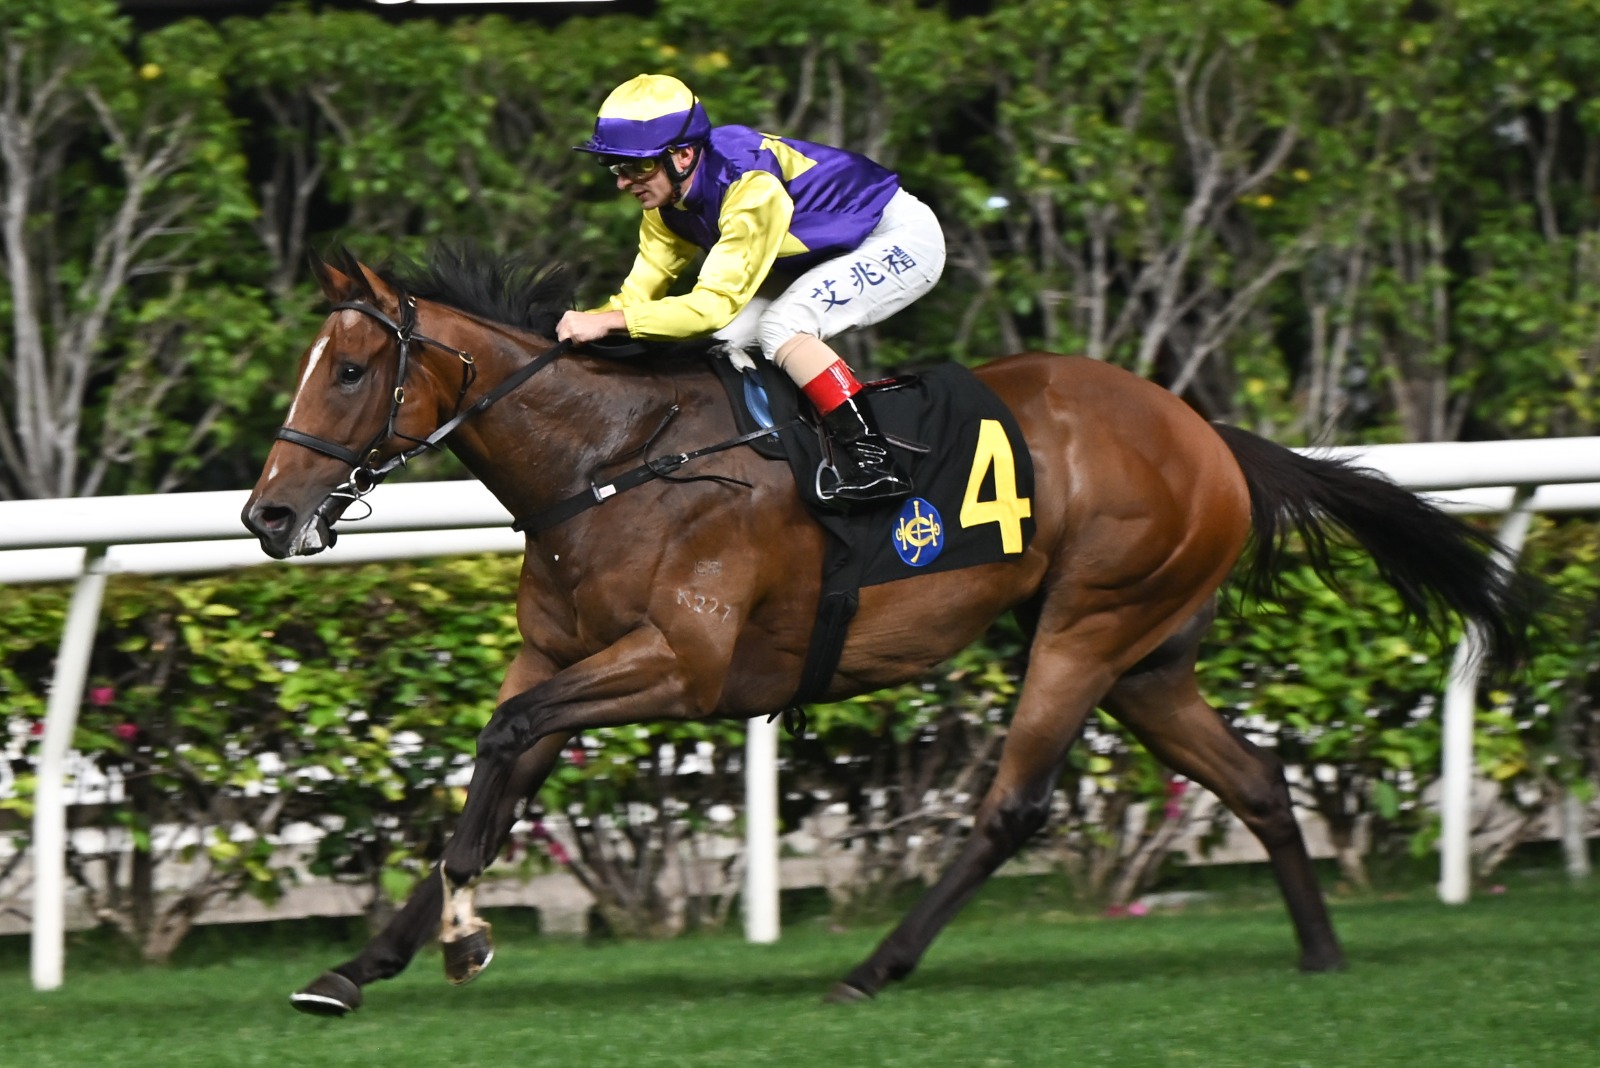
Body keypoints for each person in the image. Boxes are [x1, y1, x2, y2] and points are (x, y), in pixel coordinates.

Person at [557, 73, 946, 503]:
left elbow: (711, 306)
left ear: (683, 155)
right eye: (616, 167)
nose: (623, 182)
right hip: (817, 252)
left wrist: (611, 323)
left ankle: (878, 463)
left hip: (894, 236)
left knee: (782, 326)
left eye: (637, 166)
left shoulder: (748, 184)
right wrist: (575, 327)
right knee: (725, 343)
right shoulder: (665, 206)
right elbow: (635, 299)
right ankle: (787, 453)